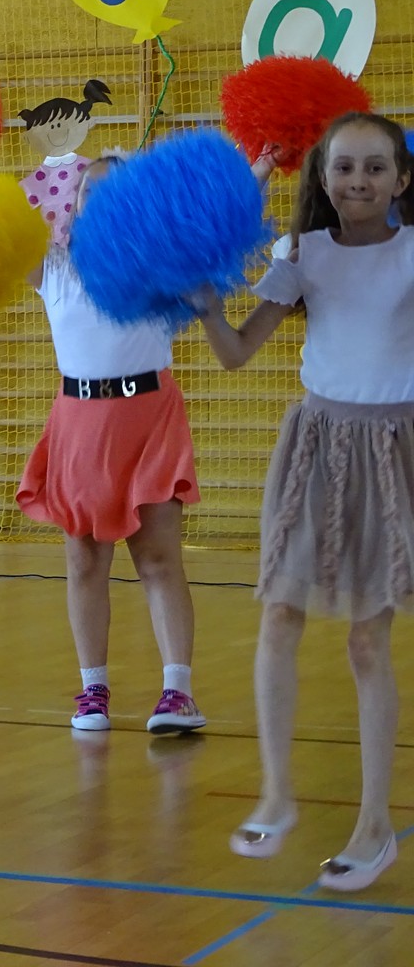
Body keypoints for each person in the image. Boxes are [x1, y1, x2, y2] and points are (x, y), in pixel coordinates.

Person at [198, 112, 414, 892]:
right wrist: (206, 306)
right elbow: (235, 353)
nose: (358, 181)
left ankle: (375, 825)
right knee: (279, 616)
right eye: (343, 166)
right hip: (316, 447)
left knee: (367, 643)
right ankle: (277, 794)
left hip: (393, 452)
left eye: (375, 167)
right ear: (321, 176)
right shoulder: (302, 254)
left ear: (401, 179)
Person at [17, 153, 206, 736]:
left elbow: (223, 220)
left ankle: (178, 692)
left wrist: (263, 167)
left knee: (158, 559)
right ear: (73, 207)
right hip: (80, 423)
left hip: (149, 417)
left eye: (115, 191)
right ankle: (93, 689)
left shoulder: (163, 267)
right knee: (84, 562)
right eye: (89, 192)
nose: (100, 201)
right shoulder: (53, 268)